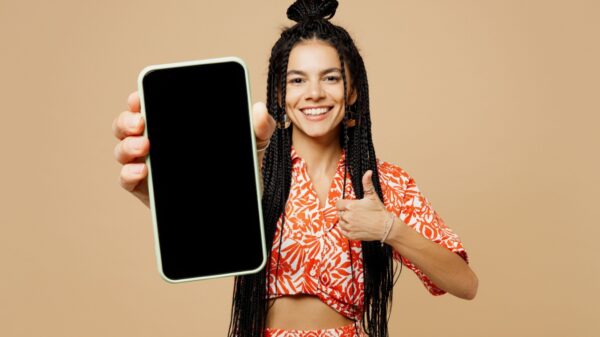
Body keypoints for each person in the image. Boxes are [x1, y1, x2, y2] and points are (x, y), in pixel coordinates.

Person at [112, 1, 478, 336]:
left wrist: (388, 227)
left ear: (352, 92)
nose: (314, 93)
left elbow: (465, 283)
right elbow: (203, 234)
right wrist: (159, 198)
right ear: (279, 94)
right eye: (297, 80)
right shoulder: (251, 170)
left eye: (331, 77)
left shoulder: (382, 181)